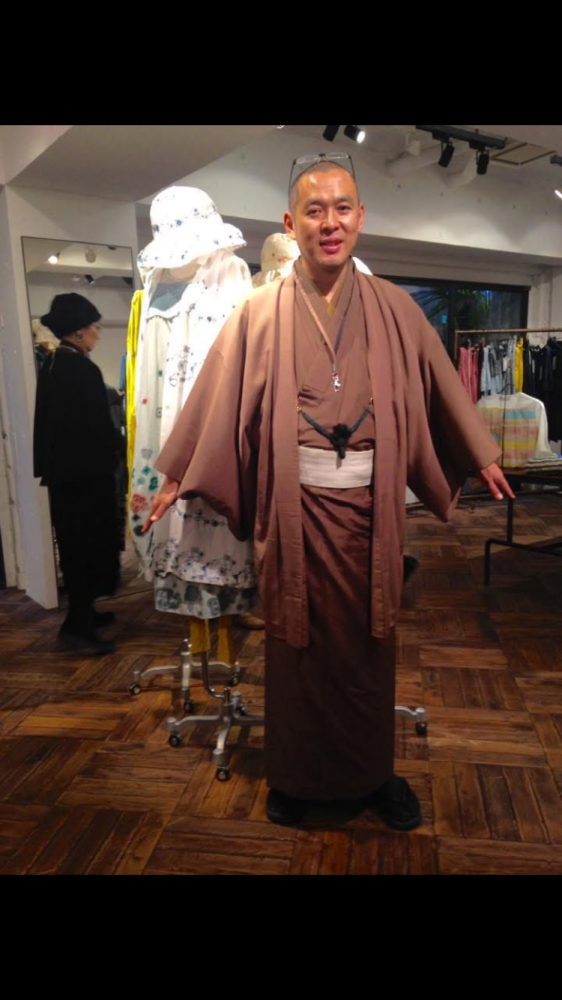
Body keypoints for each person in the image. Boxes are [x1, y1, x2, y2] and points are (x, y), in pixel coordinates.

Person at [146, 154, 513, 828]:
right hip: (294, 513)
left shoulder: (394, 307)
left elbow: (439, 380)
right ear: (292, 223)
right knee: (296, 650)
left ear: (361, 217)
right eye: (314, 211)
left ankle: (373, 777)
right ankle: (295, 779)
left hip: (370, 516)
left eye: (342, 208)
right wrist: (175, 475)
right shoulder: (258, 312)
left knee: (369, 650)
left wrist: (480, 453)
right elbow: (217, 395)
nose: (330, 222)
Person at [34, 293, 122, 655]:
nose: (98, 335)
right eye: (94, 328)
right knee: (86, 548)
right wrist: (119, 448)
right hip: (85, 479)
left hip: (67, 478)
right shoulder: (80, 369)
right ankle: (78, 629)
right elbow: (97, 427)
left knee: (76, 548)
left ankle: (83, 615)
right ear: (79, 331)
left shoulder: (54, 365)